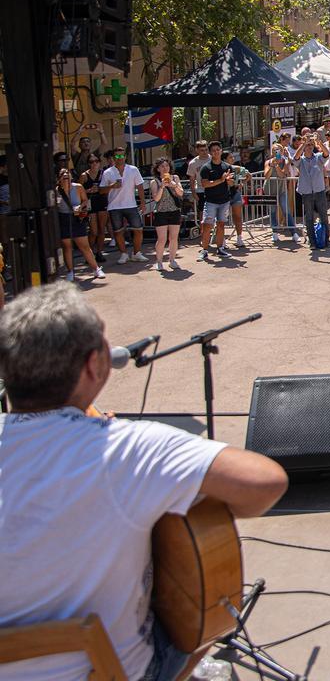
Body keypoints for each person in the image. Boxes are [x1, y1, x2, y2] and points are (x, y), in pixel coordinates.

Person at [0, 283, 288, 681]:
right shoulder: (126, 448)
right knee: (205, 610)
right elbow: (263, 483)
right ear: (92, 366)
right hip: (110, 671)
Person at [54, 167, 104, 282]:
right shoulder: (56, 190)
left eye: (67, 173)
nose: (66, 175)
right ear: (59, 178)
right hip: (64, 219)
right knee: (67, 247)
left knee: (84, 246)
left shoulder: (78, 187)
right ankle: (70, 271)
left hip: (77, 219)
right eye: (63, 174)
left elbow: (85, 200)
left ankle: (96, 268)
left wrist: (80, 207)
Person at [98, 148, 147, 265]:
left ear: (125, 157)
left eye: (121, 156)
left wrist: (143, 202)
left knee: (138, 229)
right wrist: (112, 186)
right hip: (114, 206)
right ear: (113, 158)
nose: (119, 159)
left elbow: (140, 186)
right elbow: (101, 190)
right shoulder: (108, 172)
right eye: (117, 157)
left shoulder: (133, 169)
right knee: (118, 232)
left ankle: (137, 253)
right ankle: (123, 254)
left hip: (131, 204)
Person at [295, 134, 330, 251]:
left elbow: (327, 154)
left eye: (311, 145)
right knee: (309, 218)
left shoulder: (318, 157)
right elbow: (295, 157)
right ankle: (312, 242)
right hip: (307, 192)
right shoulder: (301, 160)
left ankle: (327, 240)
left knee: (323, 216)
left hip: (319, 191)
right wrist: (303, 144)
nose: (309, 147)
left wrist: (319, 143)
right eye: (308, 145)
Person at [148, 157, 184, 271]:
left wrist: (174, 185)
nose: (165, 168)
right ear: (157, 169)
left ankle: (172, 260)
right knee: (162, 239)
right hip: (161, 212)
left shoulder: (175, 178)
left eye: (167, 166)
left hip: (174, 211)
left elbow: (181, 193)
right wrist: (162, 187)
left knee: (173, 238)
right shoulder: (154, 182)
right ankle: (159, 261)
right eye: (162, 166)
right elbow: (156, 199)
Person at [77, 154, 108, 262]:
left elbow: (108, 188)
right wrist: (88, 191)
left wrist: (100, 189)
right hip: (90, 202)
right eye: (91, 162)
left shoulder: (103, 174)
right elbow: (78, 191)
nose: (94, 163)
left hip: (102, 201)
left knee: (101, 229)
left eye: (96, 161)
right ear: (88, 163)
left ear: (99, 162)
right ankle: (89, 253)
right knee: (93, 231)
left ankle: (99, 252)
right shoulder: (84, 175)